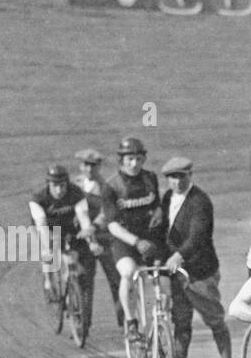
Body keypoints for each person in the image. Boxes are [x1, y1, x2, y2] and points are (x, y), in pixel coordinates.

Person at [159, 157, 235, 358]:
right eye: (173, 177)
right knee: (180, 320)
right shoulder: (167, 198)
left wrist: (178, 256)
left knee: (214, 320)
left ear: (190, 175)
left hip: (200, 272)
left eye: (182, 176)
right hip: (176, 273)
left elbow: (197, 235)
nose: (177, 182)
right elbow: (163, 230)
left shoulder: (199, 201)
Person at [101, 136, 165, 344]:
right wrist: (136, 242)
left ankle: (158, 327)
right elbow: (112, 225)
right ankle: (130, 322)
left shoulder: (150, 179)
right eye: (129, 159)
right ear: (121, 160)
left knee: (158, 282)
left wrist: (158, 213)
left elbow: (156, 203)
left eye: (138, 159)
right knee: (128, 271)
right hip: (124, 240)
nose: (134, 163)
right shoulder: (111, 186)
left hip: (148, 236)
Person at [29, 163, 94, 314]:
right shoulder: (39, 198)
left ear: (68, 183)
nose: (59, 190)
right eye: (55, 186)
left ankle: (70, 284)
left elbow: (84, 219)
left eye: (62, 186)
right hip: (46, 227)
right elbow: (41, 226)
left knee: (71, 259)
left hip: (68, 227)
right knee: (49, 252)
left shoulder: (76, 193)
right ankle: (48, 282)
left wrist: (90, 240)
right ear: (48, 184)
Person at [72, 148, 123, 331]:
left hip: (104, 238)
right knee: (84, 280)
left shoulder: (106, 187)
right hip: (83, 241)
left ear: (99, 166)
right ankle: (83, 324)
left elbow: (106, 212)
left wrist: (94, 227)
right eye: (85, 164)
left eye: (93, 165)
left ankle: (124, 322)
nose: (89, 169)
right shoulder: (74, 185)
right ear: (80, 166)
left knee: (115, 279)